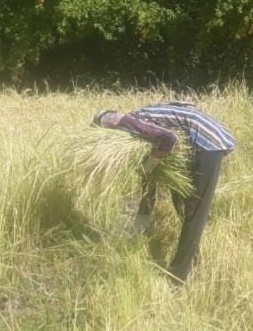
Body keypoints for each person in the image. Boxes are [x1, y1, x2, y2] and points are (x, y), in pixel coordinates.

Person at [92, 101, 235, 284]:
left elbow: (170, 138)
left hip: (209, 143)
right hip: (205, 135)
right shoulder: (143, 117)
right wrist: (136, 230)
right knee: (180, 201)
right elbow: (187, 105)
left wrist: (149, 165)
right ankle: (193, 257)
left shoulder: (130, 122)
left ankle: (176, 277)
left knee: (195, 210)